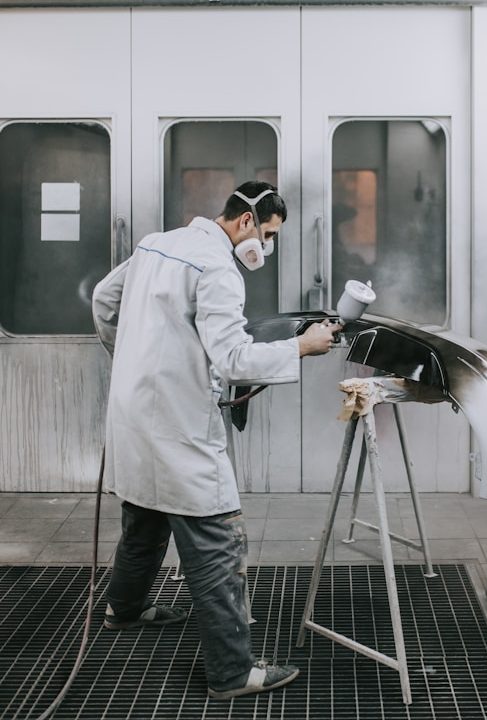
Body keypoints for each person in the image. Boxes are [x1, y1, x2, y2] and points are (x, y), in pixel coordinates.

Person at [92, 180, 340, 699]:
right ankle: (231, 673)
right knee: (216, 542)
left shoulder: (157, 243)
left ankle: (124, 609)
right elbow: (233, 360)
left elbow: (104, 299)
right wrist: (303, 346)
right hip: (178, 426)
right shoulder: (218, 268)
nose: (267, 247)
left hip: (133, 413)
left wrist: (134, 361)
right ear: (247, 221)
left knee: (144, 516)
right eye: (269, 235)